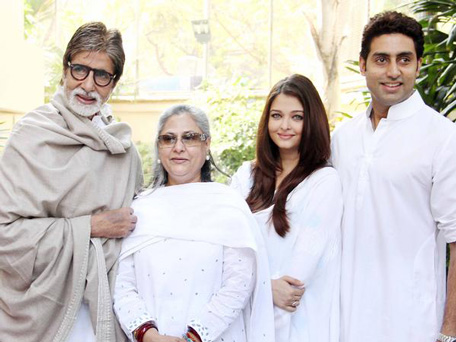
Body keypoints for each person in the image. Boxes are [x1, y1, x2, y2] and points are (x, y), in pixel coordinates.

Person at [0, 22, 143, 342]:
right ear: (65, 70)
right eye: (80, 69)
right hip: (38, 312)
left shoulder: (122, 148)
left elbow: (139, 236)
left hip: (104, 310)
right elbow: (5, 234)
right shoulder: (31, 136)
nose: (88, 84)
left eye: (101, 75)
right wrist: (89, 227)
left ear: (113, 84)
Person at [331, 11, 456, 342]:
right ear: (363, 65)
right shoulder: (342, 137)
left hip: (412, 325)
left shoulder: (443, 137)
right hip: (343, 322)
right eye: (381, 59)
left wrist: (449, 331)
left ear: (417, 65)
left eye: (404, 59)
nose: (392, 71)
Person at [113, 104, 275, 342]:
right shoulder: (140, 209)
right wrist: (149, 335)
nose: (178, 147)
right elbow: (121, 283)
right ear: (159, 147)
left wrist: (194, 337)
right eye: (168, 139)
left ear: (207, 144)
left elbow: (239, 282)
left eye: (189, 138)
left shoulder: (228, 205)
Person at [231, 74, 343, 342]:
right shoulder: (245, 176)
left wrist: (262, 290)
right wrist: (265, 288)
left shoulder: (324, 182)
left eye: (297, 117)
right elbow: (229, 253)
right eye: (276, 115)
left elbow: (294, 284)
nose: (285, 125)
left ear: (312, 121)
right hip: (243, 318)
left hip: (300, 326)